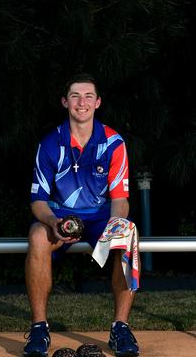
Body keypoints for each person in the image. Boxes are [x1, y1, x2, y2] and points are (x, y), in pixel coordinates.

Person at [23, 73, 140, 357]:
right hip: (61, 215)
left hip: (101, 216)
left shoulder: (114, 142)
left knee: (128, 232)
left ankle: (120, 328)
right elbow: (38, 200)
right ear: (65, 102)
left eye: (88, 96)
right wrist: (52, 222)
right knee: (37, 235)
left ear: (98, 102)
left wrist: (115, 225)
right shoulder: (51, 143)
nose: (82, 102)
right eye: (75, 96)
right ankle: (39, 329)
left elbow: (120, 200)